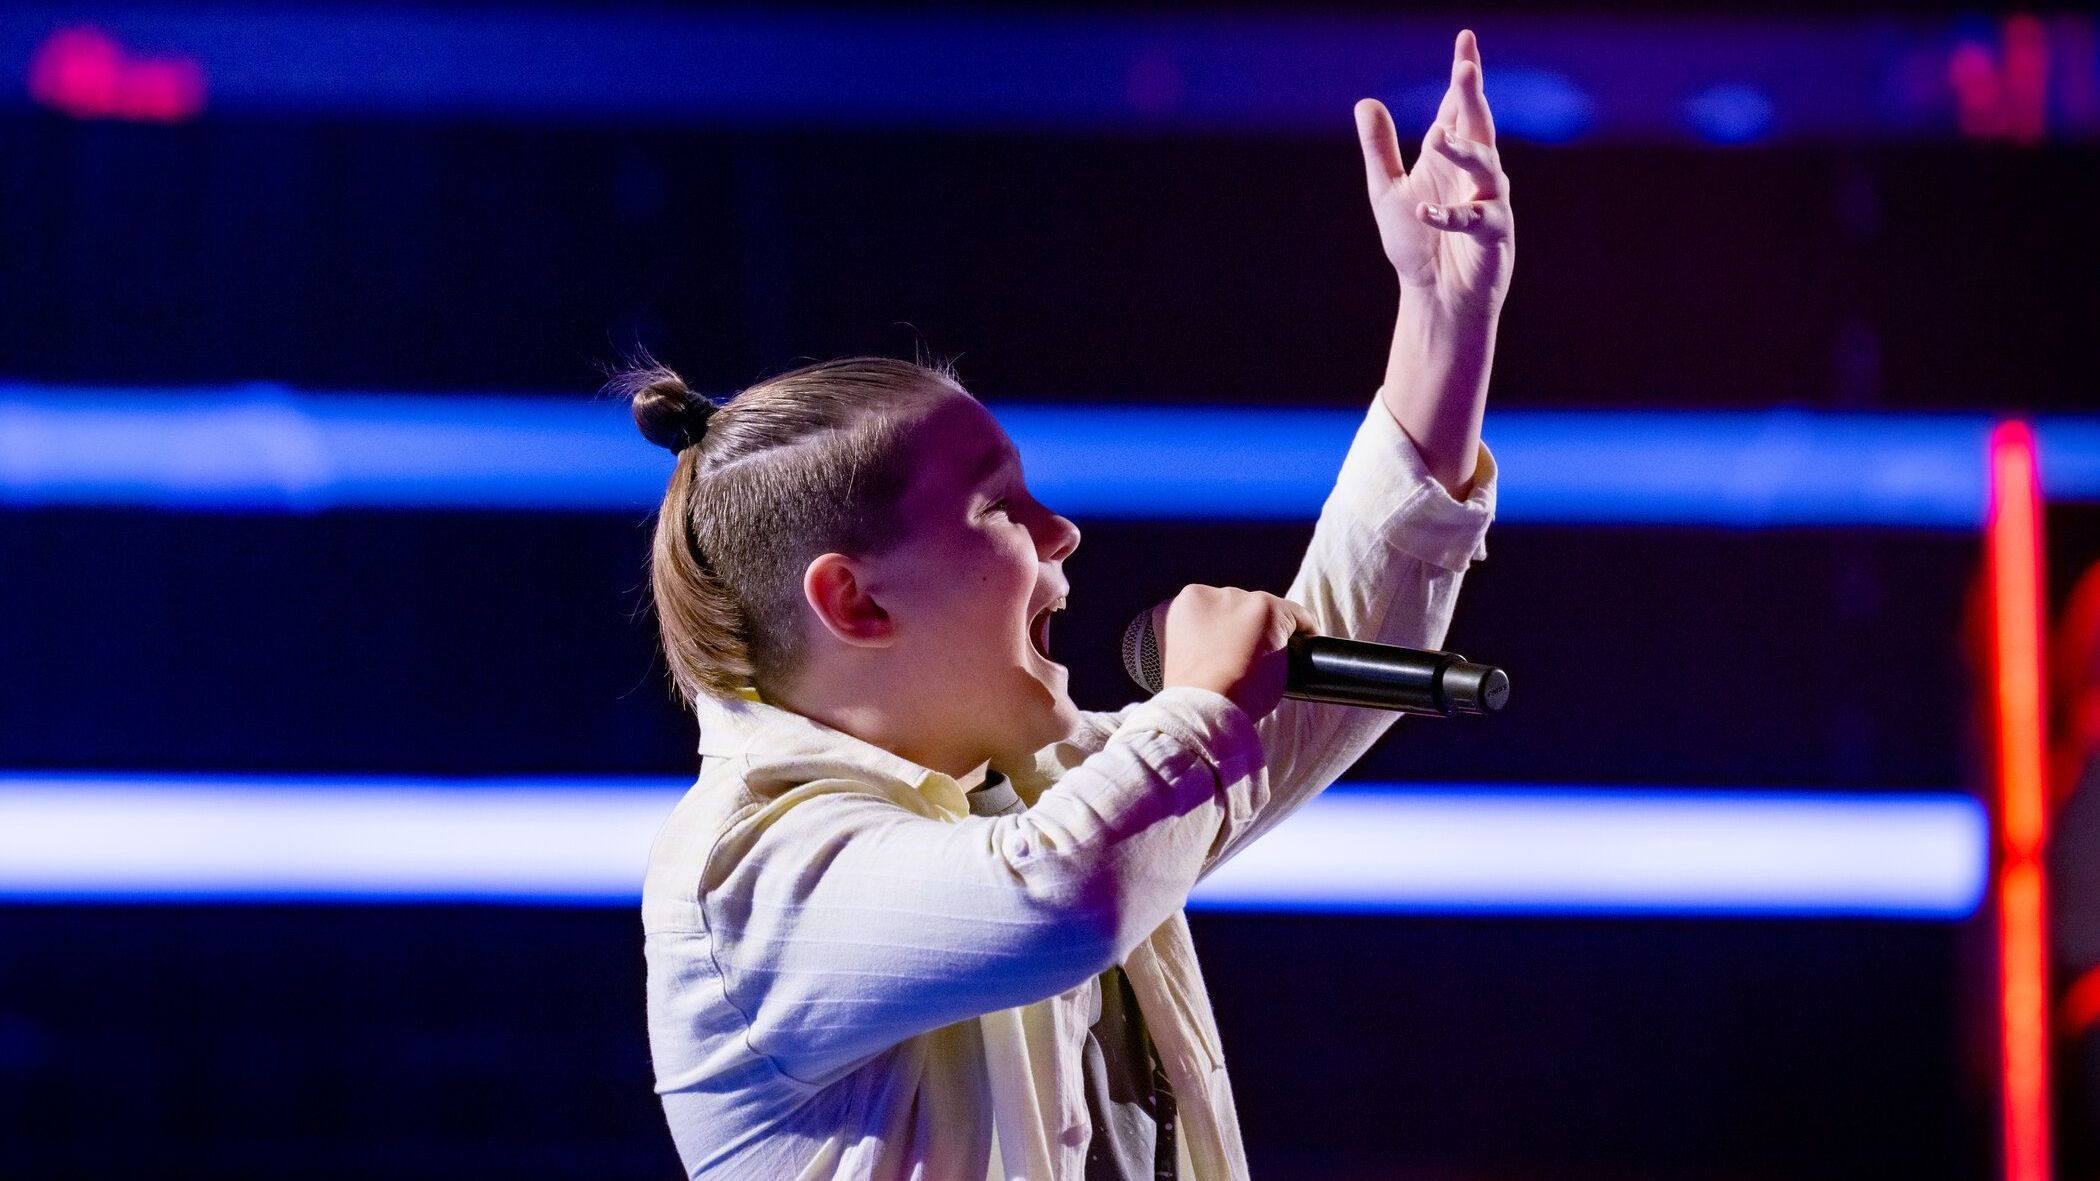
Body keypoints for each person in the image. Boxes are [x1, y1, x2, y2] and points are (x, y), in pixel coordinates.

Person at [627, 29, 1513, 1180]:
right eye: (1001, 509)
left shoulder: (1037, 792)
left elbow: (1320, 668)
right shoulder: (744, 878)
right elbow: (1062, 894)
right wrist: (1197, 704)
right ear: (854, 599)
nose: (1064, 534)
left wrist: (1444, 316)